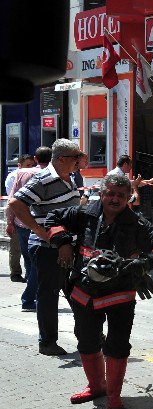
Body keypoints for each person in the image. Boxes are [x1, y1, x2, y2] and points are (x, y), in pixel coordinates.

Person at [42, 172, 153, 409]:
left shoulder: (137, 223)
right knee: (86, 340)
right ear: (102, 194)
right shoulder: (84, 212)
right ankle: (95, 387)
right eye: (110, 193)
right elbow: (52, 219)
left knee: (118, 344)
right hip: (83, 292)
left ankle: (113, 395)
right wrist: (64, 243)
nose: (114, 199)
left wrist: (145, 264)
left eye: (121, 195)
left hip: (120, 294)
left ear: (129, 197)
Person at [8, 139, 83, 355]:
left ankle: (90, 335)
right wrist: (40, 231)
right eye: (75, 157)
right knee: (49, 295)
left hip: (70, 246)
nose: (79, 161)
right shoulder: (44, 178)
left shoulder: (69, 177)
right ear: (61, 159)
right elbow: (16, 203)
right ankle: (47, 342)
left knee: (77, 292)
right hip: (47, 248)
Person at [7, 148, 50, 309]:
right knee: (37, 265)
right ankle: (29, 298)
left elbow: (12, 200)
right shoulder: (50, 175)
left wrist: (10, 221)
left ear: (35, 158)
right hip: (38, 226)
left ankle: (33, 296)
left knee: (31, 263)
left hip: (21, 224)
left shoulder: (21, 173)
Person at [5, 153, 36, 282]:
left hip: (30, 217)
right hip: (18, 217)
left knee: (28, 251)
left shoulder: (34, 174)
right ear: (20, 165)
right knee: (16, 247)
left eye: (31, 165)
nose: (30, 167)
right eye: (27, 165)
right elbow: (12, 200)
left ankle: (29, 275)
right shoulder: (13, 177)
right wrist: (10, 221)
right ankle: (16, 273)